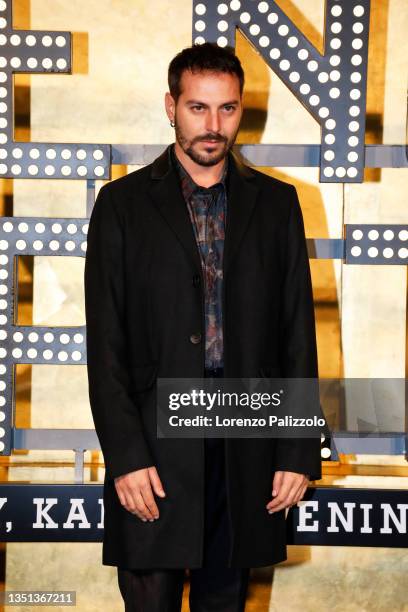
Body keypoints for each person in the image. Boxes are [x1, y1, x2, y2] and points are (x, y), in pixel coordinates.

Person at [84, 42, 322, 611]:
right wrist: (125, 455)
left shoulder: (279, 205)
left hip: (244, 437)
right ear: (171, 106)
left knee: (225, 599)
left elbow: (297, 335)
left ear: (242, 110)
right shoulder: (120, 205)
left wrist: (296, 449)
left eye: (228, 109)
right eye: (198, 108)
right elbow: (107, 344)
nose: (213, 126)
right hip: (152, 446)